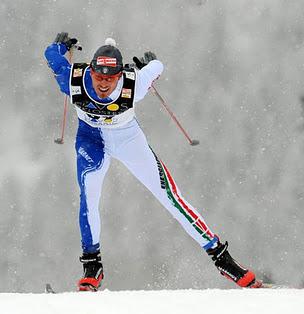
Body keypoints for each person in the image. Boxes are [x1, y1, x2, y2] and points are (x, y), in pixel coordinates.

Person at [44, 32, 262, 291]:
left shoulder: (133, 83)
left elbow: (158, 67)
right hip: (91, 141)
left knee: (170, 196)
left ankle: (222, 259)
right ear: (90, 71)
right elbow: (52, 56)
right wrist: (61, 46)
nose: (104, 84)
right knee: (89, 196)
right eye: (99, 77)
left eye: (111, 79)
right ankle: (92, 266)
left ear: (120, 76)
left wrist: (150, 64)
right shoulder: (73, 79)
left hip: (128, 139)